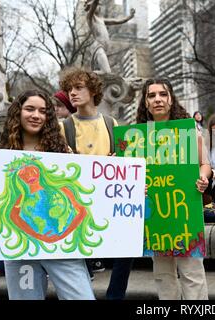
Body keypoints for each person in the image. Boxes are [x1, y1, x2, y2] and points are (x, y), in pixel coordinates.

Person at [0, 90, 96, 299]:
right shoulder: (3, 151)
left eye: (42, 111)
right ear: (18, 113)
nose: (36, 115)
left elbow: (87, 194)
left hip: (63, 249)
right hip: (20, 250)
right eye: (30, 109)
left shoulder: (61, 151)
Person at [59, 67, 133, 300]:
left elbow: (126, 161)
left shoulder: (112, 124)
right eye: (69, 89)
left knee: (126, 249)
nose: (73, 93)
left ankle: (115, 296)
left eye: (78, 87)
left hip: (109, 200)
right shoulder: (64, 127)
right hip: (79, 202)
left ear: (93, 91)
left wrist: (117, 161)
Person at [136, 78, 211, 300]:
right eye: (151, 95)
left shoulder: (189, 132)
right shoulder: (136, 139)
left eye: (163, 94)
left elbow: (204, 164)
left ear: (171, 99)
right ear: (145, 102)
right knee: (162, 274)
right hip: (154, 214)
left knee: (192, 272)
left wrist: (202, 177)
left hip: (185, 211)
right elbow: (134, 173)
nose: (157, 99)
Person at [85, 0, 135, 74]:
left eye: (99, 5)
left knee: (106, 72)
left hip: (103, 48)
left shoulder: (101, 20)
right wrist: (94, 3)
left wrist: (129, 17)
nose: (99, 7)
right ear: (90, 6)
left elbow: (117, 21)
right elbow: (94, 5)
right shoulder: (90, 17)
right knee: (107, 72)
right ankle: (89, 75)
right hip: (98, 47)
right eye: (97, 5)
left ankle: (92, 75)